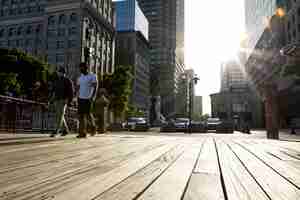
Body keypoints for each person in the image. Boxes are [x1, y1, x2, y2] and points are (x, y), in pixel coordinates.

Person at [49, 67, 74, 137]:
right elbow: (52, 90)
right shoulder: (56, 80)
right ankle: (65, 130)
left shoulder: (68, 80)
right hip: (56, 100)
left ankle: (56, 130)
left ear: (64, 73)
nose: (59, 73)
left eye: (61, 72)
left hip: (63, 100)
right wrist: (51, 100)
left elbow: (71, 92)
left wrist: (69, 101)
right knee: (59, 115)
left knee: (60, 115)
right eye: (59, 72)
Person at [76, 62, 98, 138]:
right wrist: (76, 97)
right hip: (80, 98)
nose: (80, 69)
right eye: (80, 68)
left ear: (86, 68)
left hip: (88, 98)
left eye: (81, 68)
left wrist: (93, 96)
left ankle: (93, 129)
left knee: (88, 114)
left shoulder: (93, 76)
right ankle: (82, 132)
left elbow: (95, 87)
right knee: (81, 116)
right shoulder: (80, 78)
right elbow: (78, 88)